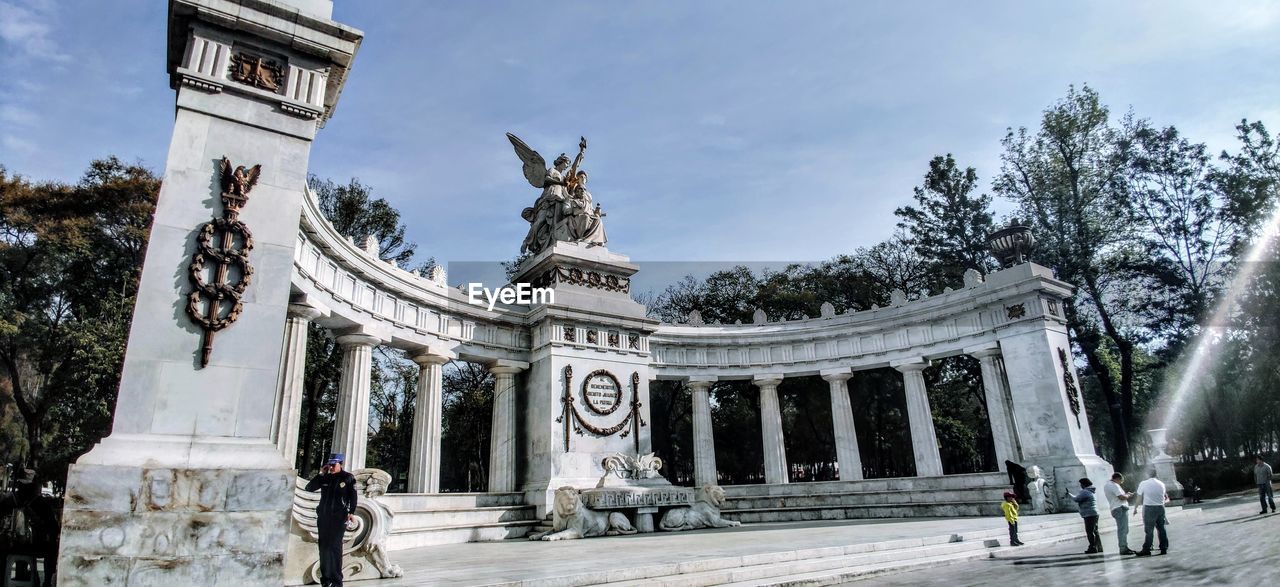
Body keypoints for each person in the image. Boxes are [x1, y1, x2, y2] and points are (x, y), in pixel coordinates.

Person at [306, 453, 358, 587]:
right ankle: (326, 579)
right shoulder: (326, 477)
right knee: (323, 548)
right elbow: (309, 488)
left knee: (334, 547)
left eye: (334, 465)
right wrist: (321, 474)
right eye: (330, 464)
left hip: (339, 517)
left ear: (340, 464)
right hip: (324, 516)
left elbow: (353, 497)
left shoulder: (347, 478)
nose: (331, 467)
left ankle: (336, 580)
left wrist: (351, 512)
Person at [1133, 469, 1170, 556]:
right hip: (1161, 507)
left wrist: (1135, 508)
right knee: (1162, 529)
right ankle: (1163, 547)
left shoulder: (1143, 483)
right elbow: (1165, 497)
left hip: (1149, 508)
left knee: (1149, 530)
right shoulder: (1161, 484)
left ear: (1147, 474)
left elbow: (1139, 497)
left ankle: (1147, 548)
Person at [1067, 478, 1102, 554]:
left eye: (1081, 484)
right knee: (1095, 531)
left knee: (1090, 531)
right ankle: (1099, 547)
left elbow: (1076, 499)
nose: (1080, 486)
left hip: (1089, 514)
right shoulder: (1092, 491)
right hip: (1094, 513)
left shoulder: (1085, 492)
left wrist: (1069, 494)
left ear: (1083, 484)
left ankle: (1092, 547)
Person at [1103, 472, 1136, 555]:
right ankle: (1123, 548)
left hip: (1116, 508)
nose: (1121, 483)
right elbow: (1121, 497)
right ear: (1117, 479)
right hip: (1120, 508)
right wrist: (1128, 495)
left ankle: (1124, 547)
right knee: (1123, 529)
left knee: (1123, 529)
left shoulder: (1108, 485)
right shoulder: (1114, 485)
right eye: (1121, 481)